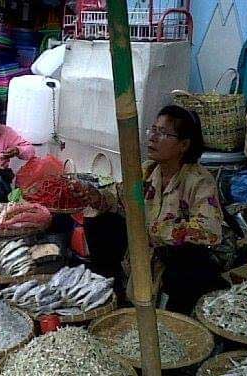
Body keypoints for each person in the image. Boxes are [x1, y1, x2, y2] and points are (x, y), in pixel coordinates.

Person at [83, 105, 228, 313]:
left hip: (176, 258)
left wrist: (156, 232)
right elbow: (120, 198)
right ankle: (111, 291)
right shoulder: (147, 170)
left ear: (184, 144)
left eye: (163, 133)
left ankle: (174, 312)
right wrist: (95, 196)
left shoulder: (199, 181)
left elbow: (209, 231)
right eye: (153, 130)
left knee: (186, 259)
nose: (153, 138)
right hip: (144, 247)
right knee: (99, 222)